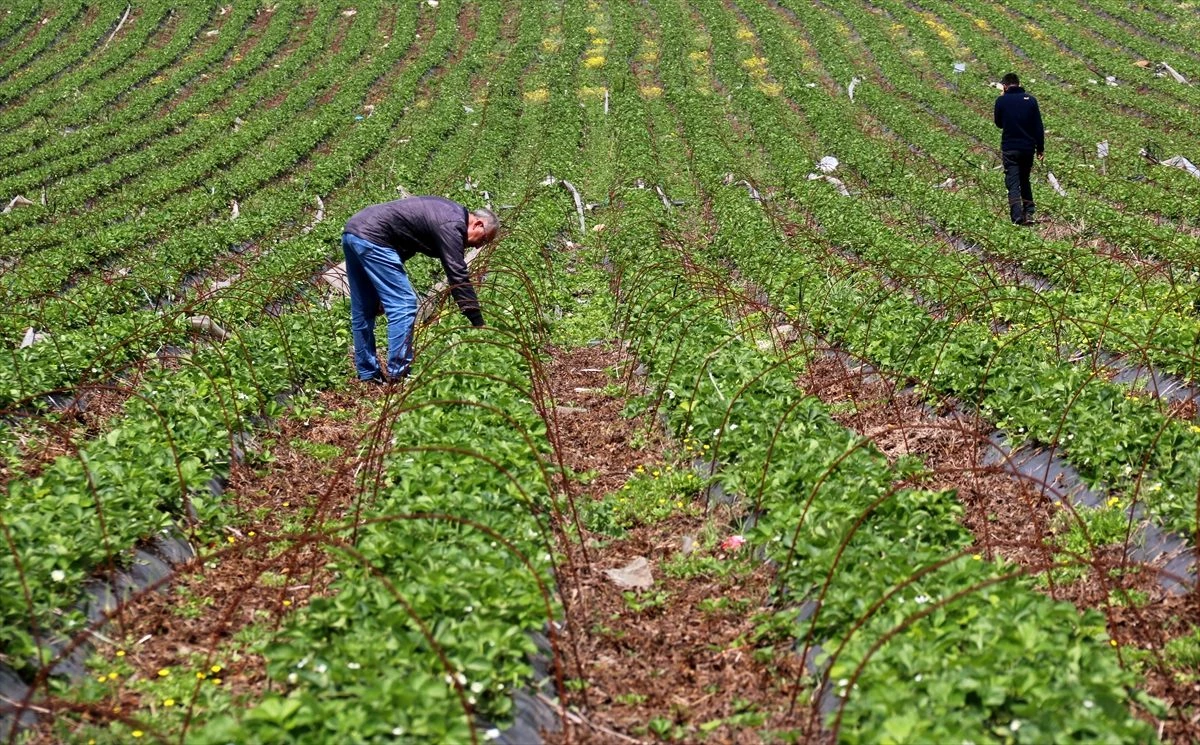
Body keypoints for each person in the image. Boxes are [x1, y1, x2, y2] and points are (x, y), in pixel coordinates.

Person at [341, 196, 498, 384]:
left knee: (364, 308)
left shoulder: (448, 214)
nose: (480, 246)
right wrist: (477, 321)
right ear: (478, 224)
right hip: (374, 236)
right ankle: (399, 374)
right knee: (404, 304)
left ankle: (368, 375)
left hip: (354, 231)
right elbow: (457, 274)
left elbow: (403, 243)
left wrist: (381, 291)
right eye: (485, 240)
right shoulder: (452, 224)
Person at [993, 73, 1045, 225]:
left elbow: (999, 123)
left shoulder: (1001, 101)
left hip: (1010, 148)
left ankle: (1017, 218)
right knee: (1025, 180)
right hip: (1028, 148)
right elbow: (1038, 127)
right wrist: (1040, 148)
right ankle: (1029, 213)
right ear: (1018, 83)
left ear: (1005, 86)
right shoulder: (1031, 101)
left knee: (1013, 182)